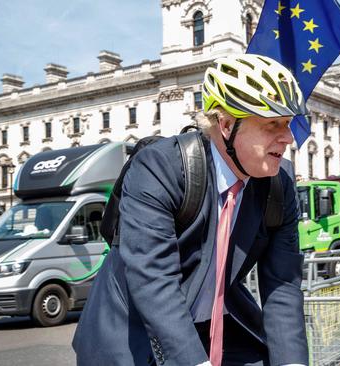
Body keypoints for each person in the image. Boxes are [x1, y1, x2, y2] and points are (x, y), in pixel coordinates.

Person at [73, 54, 308, 366]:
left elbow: (283, 285)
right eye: (272, 125)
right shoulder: (160, 167)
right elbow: (154, 278)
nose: (288, 138)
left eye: (289, 124)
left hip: (219, 335)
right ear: (226, 124)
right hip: (132, 338)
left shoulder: (281, 183)